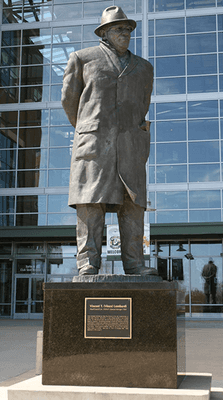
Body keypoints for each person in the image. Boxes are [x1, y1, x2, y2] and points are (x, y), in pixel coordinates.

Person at [61, 6, 157, 276]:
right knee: (90, 202)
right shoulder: (82, 59)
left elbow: (142, 104)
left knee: (133, 206)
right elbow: (70, 101)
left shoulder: (144, 68)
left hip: (131, 145)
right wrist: (89, 129)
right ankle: (87, 262)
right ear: (103, 32)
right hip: (94, 143)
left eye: (128, 29)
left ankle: (135, 263)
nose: (125, 33)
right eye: (118, 28)